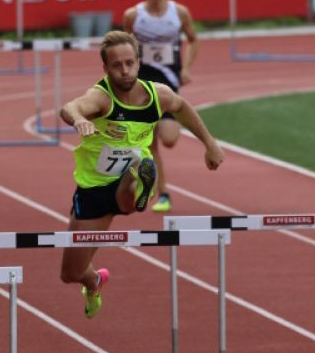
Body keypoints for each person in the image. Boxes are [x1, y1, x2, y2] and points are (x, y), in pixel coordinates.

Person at [59, 31, 223, 318]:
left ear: (138, 62)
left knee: (128, 190)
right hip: (93, 187)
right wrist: (80, 119)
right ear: (106, 69)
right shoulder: (101, 98)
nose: (124, 71)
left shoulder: (156, 95)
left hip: (130, 175)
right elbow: (70, 107)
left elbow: (182, 108)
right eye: (116, 66)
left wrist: (210, 143)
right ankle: (94, 281)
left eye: (130, 63)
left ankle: (137, 180)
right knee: (70, 272)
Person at [122, 0, 200, 213]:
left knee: (169, 139)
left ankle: (146, 183)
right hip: (141, 85)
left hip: (168, 85)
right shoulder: (134, 16)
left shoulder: (179, 13)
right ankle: (162, 193)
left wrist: (186, 68)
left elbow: (194, 39)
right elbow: (126, 47)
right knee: (150, 142)